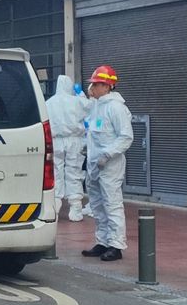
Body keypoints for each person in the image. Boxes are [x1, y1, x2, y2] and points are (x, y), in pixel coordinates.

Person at [80, 65, 133, 262]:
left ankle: (116, 246)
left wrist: (107, 154)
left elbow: (126, 137)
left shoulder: (116, 108)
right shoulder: (97, 106)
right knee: (97, 205)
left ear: (107, 86)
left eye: (96, 84)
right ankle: (102, 242)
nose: (92, 88)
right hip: (94, 163)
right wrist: (86, 149)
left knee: (112, 204)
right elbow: (93, 132)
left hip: (110, 165)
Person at [46, 76, 90, 221]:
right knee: (74, 172)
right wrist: (81, 94)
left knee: (55, 172)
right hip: (74, 140)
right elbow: (90, 108)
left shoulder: (49, 103)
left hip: (55, 141)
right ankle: (75, 208)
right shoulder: (76, 101)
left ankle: (55, 206)